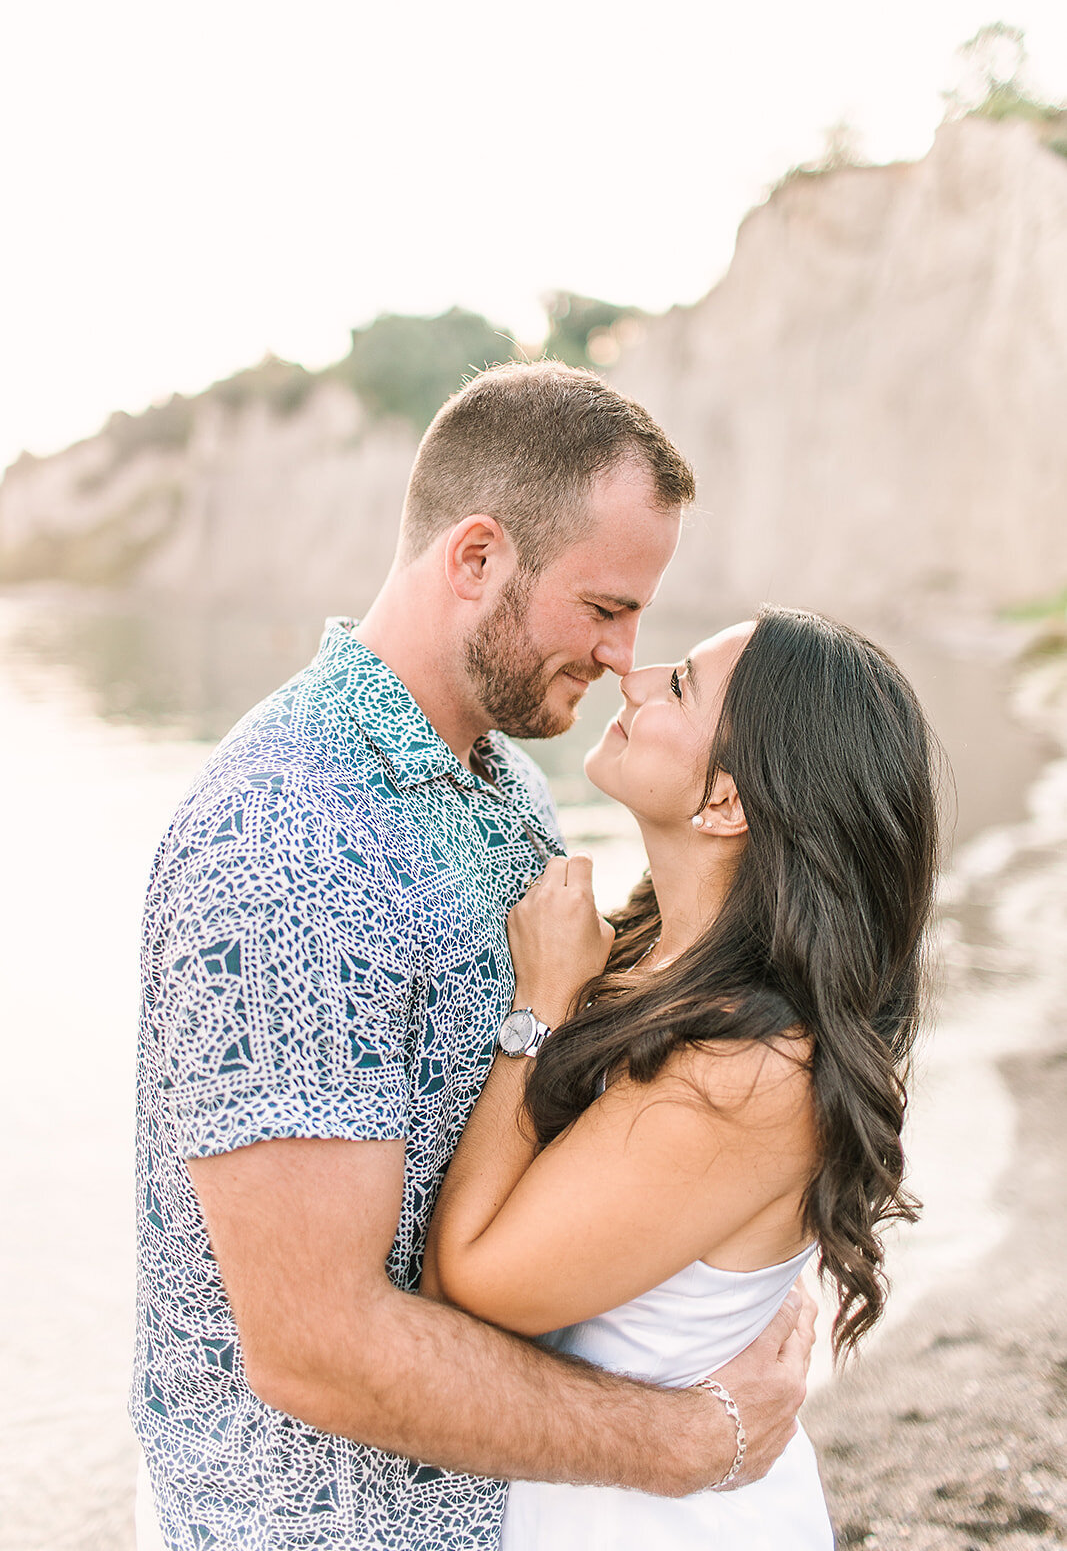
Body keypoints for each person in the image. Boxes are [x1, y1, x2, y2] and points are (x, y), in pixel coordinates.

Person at [132, 361, 816, 1551]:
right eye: (604, 608)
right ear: (475, 559)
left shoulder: (502, 793)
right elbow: (314, 1347)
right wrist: (692, 1439)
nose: (621, 657)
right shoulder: (288, 838)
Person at [422, 608, 940, 1549]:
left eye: (679, 686)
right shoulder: (664, 966)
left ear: (724, 804)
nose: (634, 674)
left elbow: (471, 1284)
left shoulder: (747, 1070)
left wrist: (537, 1010)